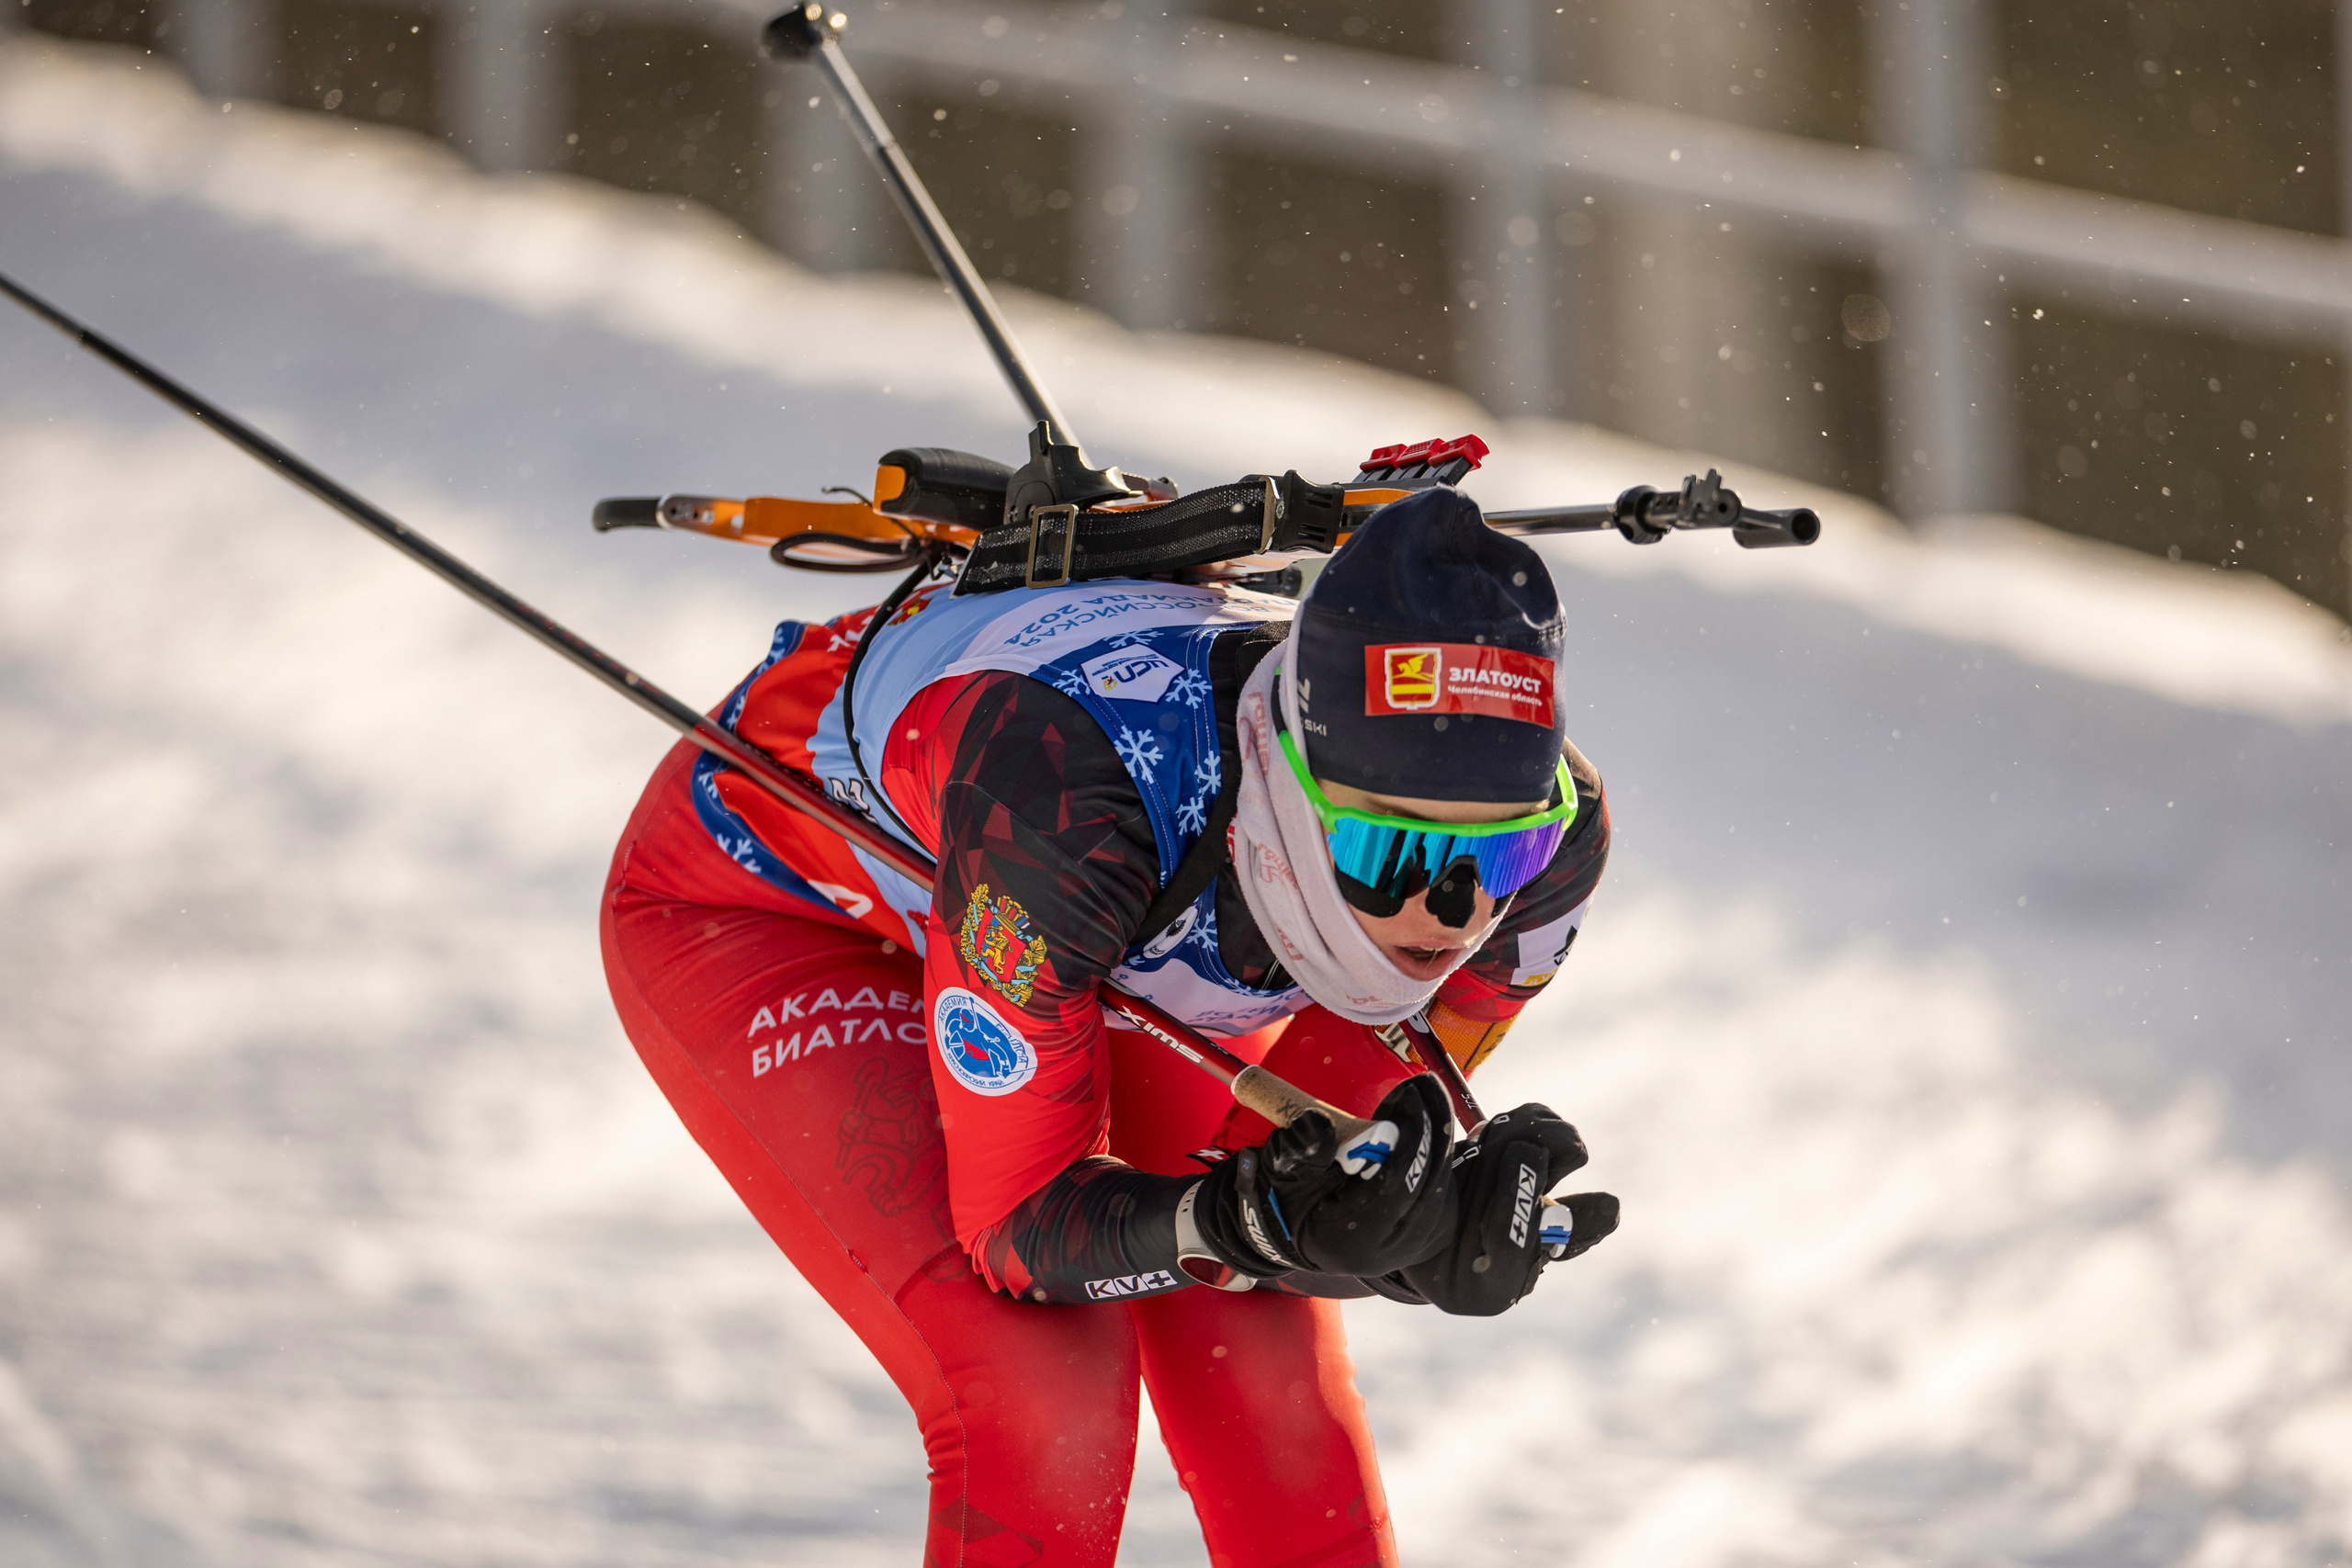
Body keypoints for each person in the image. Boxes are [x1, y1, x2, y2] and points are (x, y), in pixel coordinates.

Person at [599, 485, 1618, 1565]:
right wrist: (1258, 1222)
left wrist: (1386, 1232)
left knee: (1264, 1372)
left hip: (1104, 944)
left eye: (1498, 855)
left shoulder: (1560, 856)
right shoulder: (1070, 807)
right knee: (1046, 1390)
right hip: (778, 908)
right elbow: (1022, 1229)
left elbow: (1310, 1177)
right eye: (1390, 853)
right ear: (1289, 777)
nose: (1450, 917)